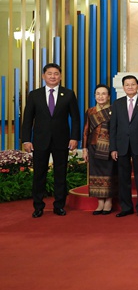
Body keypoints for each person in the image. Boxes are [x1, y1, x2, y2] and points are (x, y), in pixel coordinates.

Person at [21, 63, 80, 218]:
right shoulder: (35, 94)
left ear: (60, 76)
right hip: (40, 140)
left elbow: (75, 118)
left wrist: (75, 137)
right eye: (49, 73)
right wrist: (26, 139)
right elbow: (27, 119)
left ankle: (59, 205)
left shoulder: (68, 94)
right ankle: (38, 206)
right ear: (43, 76)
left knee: (60, 174)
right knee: (39, 174)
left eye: (56, 74)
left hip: (62, 140)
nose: (53, 76)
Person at [109, 75, 138, 218]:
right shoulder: (117, 103)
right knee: (123, 178)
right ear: (123, 87)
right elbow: (113, 128)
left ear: (137, 85)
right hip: (122, 146)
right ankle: (126, 207)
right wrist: (113, 148)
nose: (130, 87)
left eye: (133, 84)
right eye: (127, 85)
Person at [82, 85, 117, 215]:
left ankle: (108, 201)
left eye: (104, 94)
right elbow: (86, 131)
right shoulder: (90, 111)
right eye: (98, 94)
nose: (101, 96)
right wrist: (84, 149)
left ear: (108, 96)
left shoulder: (115, 110)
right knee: (95, 174)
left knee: (109, 174)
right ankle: (100, 202)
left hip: (109, 147)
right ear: (94, 96)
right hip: (93, 146)